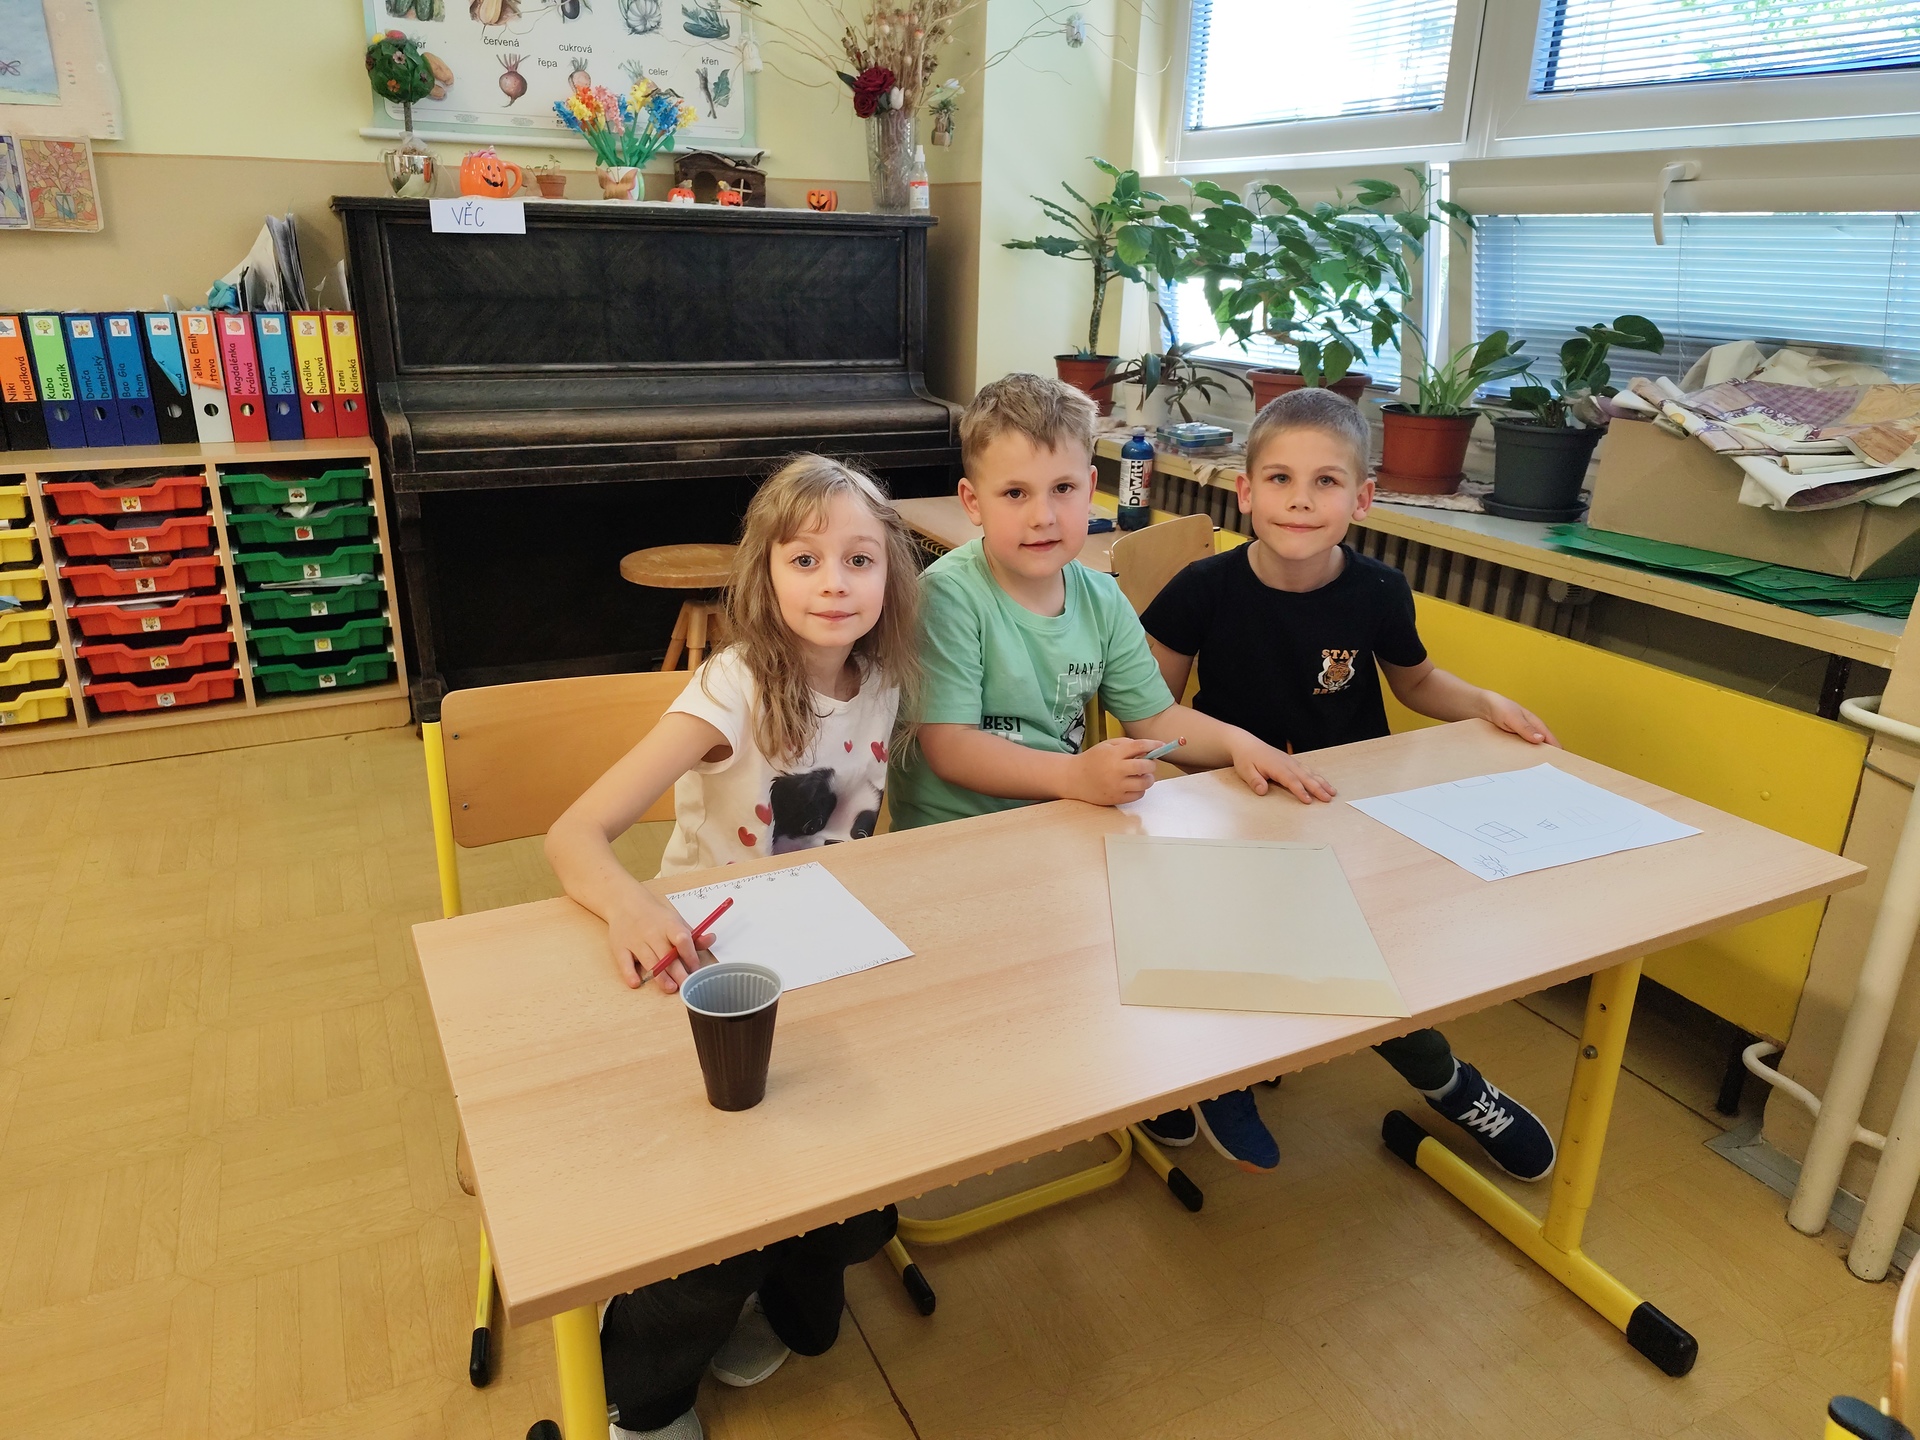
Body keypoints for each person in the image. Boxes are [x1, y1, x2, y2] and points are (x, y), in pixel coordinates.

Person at [545, 454, 922, 1440]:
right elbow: (573, 836)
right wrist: (628, 908)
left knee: (864, 1206)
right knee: (718, 1229)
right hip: (708, 968)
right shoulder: (733, 686)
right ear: (766, 573)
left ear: (890, 575)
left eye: (859, 559)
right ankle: (645, 1396)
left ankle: (765, 1279)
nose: (834, 583)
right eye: (806, 560)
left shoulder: (883, 679)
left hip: (824, 962)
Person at [1137, 386, 1560, 1182]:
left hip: (1348, 811)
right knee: (1220, 931)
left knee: (1372, 957)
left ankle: (1447, 1082)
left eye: (1326, 481)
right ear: (1245, 491)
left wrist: (1483, 702)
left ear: (1362, 499)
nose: (1301, 500)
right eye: (1280, 479)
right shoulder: (1201, 589)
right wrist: (1232, 756)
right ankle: (1208, 1070)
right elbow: (1150, 715)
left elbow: (1417, 682)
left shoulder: (1378, 591)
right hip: (1233, 807)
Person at [887, 370, 1334, 840]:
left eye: (1063, 488)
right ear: (973, 501)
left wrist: (1241, 744)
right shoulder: (946, 598)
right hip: (950, 840)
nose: (1043, 517)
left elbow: (1155, 718)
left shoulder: (1102, 599)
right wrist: (1075, 775)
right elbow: (950, 747)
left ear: (1091, 487)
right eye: (1015, 493)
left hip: (1058, 825)